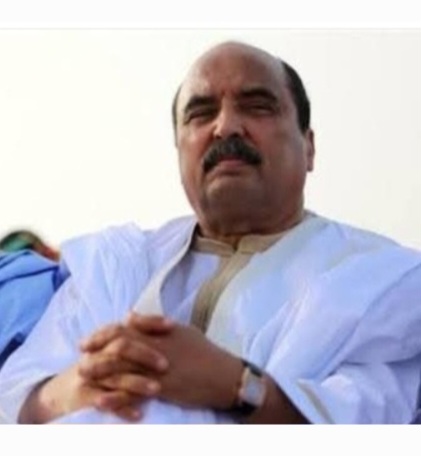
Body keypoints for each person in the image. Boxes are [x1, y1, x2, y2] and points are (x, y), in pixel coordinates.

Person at [1, 40, 421, 425]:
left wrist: (234, 386)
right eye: (201, 114)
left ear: (308, 146)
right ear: (179, 149)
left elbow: (371, 418)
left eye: (257, 106)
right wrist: (82, 384)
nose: (226, 127)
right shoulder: (113, 266)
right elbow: (17, 398)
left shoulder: (382, 284)